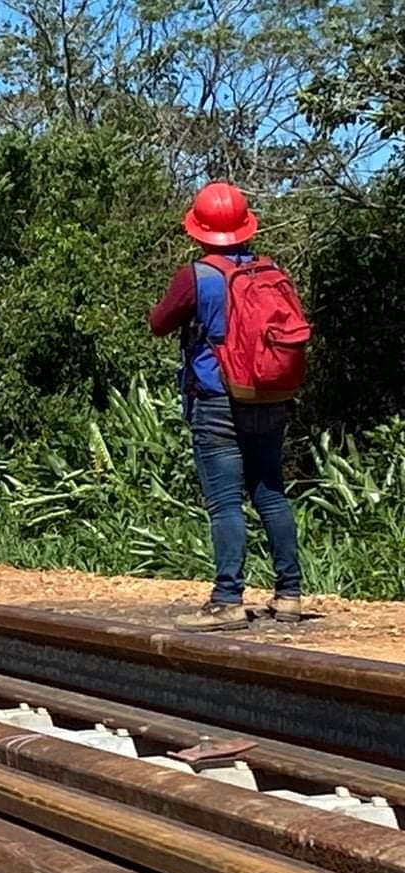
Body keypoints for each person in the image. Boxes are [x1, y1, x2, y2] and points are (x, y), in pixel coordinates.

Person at [149, 182, 308, 631]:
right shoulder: (271, 270)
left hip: (217, 399)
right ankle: (290, 594)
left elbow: (160, 324)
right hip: (269, 394)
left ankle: (227, 599)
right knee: (270, 491)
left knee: (225, 503)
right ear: (245, 225)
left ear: (198, 230)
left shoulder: (197, 277)